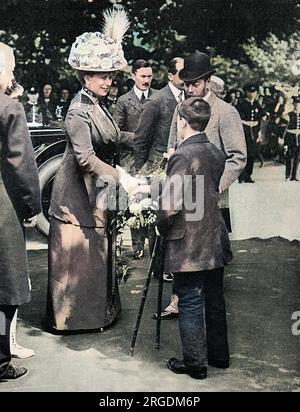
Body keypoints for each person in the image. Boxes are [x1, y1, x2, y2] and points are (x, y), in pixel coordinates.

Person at [46, 8, 141, 333]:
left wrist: (143, 141)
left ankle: (99, 315)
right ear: (85, 77)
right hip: (75, 196)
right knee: (79, 259)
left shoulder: (98, 104)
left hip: (96, 193)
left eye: (111, 75)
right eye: (102, 76)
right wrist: (122, 178)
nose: (108, 81)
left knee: (97, 254)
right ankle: (72, 322)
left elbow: (113, 137)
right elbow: (86, 159)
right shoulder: (77, 111)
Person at [139, 97, 232, 379]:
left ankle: (195, 364)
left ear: (181, 122)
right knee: (214, 298)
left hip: (189, 240)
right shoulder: (215, 152)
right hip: (214, 235)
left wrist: (160, 227)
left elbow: (171, 205)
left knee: (190, 299)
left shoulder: (182, 154)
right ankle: (219, 357)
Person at [159, 51, 246, 321]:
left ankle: (198, 306)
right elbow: (174, 145)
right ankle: (180, 300)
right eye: (185, 84)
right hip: (185, 195)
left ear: (208, 81)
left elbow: (238, 157)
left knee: (208, 258)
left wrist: (215, 187)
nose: (190, 89)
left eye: (195, 83)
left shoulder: (226, 112)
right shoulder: (180, 108)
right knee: (182, 243)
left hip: (212, 196)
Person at [0, 42, 41, 380]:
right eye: (10, 69)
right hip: (2, 208)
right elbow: (22, 165)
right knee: (5, 286)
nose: (12, 75)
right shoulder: (9, 108)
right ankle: (1, 360)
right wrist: (31, 207)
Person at [114, 59, 156, 259]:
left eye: (149, 76)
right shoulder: (123, 101)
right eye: (142, 76)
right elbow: (115, 133)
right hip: (130, 158)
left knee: (155, 200)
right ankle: (138, 245)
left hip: (153, 159)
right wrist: (137, 139)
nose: (146, 80)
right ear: (133, 76)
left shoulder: (158, 97)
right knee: (135, 202)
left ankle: (155, 247)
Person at [134, 57, 184, 171]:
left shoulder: (190, 98)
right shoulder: (156, 101)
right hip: (158, 166)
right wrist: (140, 172)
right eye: (182, 74)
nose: (187, 77)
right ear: (171, 76)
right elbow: (140, 140)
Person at [236, 84, 267, 182]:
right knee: (243, 153)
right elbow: (237, 117)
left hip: (254, 130)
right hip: (244, 130)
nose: (252, 94)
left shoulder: (257, 103)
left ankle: (248, 175)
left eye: (254, 92)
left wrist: (264, 117)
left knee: (252, 154)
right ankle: (241, 176)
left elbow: (263, 114)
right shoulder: (241, 103)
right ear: (246, 93)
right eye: (250, 92)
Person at [283, 95, 300, 181]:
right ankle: (287, 175)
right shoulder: (289, 114)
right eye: (296, 104)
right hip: (291, 137)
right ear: (293, 104)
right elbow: (283, 118)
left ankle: (294, 176)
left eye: (299, 104)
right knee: (290, 156)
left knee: (297, 157)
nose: (297, 105)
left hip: (299, 137)